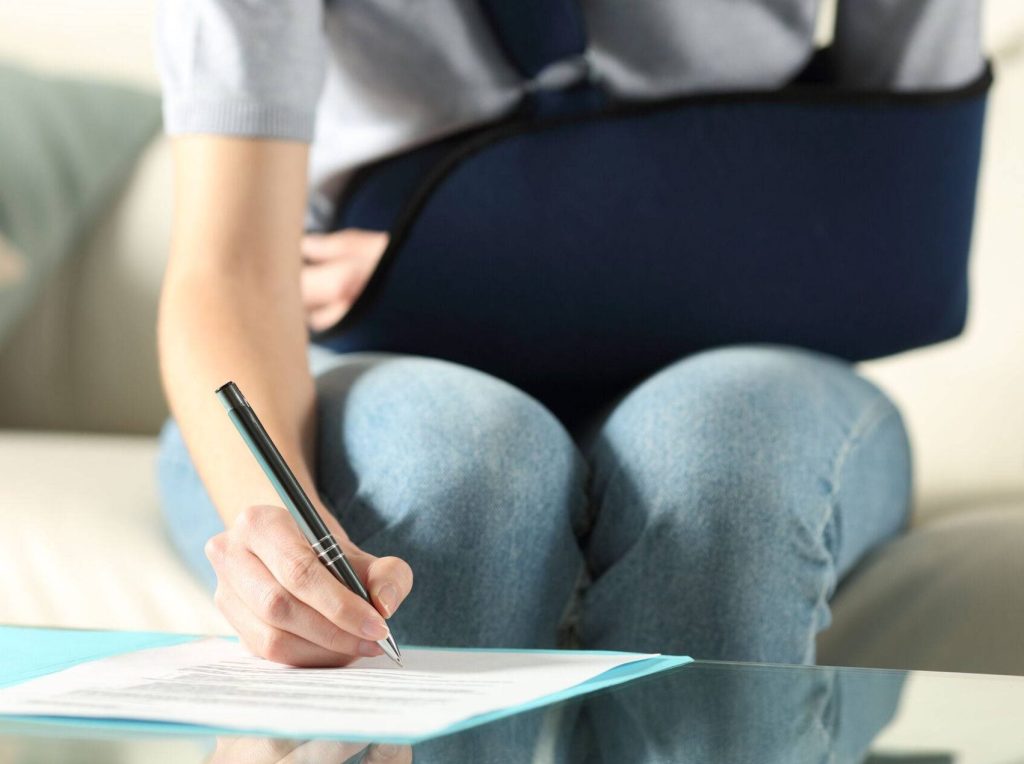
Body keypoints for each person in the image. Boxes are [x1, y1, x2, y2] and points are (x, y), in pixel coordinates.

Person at [155, 1, 981, 667]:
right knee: (455, 477)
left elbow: (905, 233)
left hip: (750, 359)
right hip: (388, 358)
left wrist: (469, 251)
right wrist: (275, 528)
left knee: (727, 480)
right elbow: (232, 268)